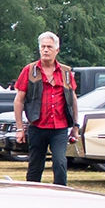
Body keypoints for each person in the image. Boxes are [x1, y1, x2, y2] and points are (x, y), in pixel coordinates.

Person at [13, 31, 77, 185]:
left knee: (60, 163)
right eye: (43, 47)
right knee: (35, 165)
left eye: (49, 47)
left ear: (57, 50)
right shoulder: (29, 70)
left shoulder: (66, 72)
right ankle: (31, 195)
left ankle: (61, 195)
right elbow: (19, 101)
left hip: (60, 128)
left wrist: (75, 126)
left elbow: (73, 100)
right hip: (37, 126)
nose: (46, 50)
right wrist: (20, 128)